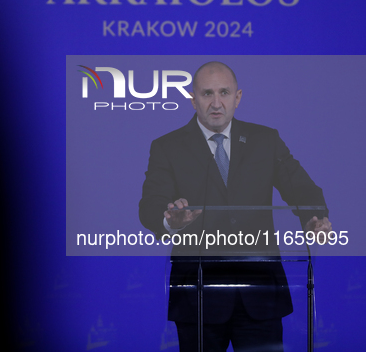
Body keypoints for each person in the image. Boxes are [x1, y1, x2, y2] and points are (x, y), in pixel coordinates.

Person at [138, 61, 332, 351]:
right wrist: (171, 221)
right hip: (198, 295)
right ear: (193, 100)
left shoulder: (265, 140)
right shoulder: (168, 146)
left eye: (224, 92)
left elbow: (301, 187)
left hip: (260, 295)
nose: (216, 103)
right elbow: (150, 205)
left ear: (237, 97)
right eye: (206, 94)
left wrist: (314, 218)